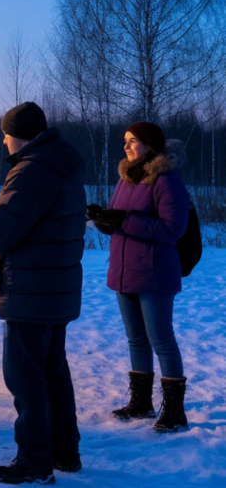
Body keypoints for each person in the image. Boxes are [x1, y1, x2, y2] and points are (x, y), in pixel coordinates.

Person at [0, 101, 85, 485]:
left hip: (30, 292)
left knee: (25, 378)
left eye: (6, 134)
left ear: (20, 136)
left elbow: (1, 232)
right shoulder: (61, 165)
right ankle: (64, 452)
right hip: (55, 291)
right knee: (52, 374)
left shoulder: (30, 172)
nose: (3, 141)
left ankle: (33, 461)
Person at [87, 122, 190, 433]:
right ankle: (141, 403)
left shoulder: (166, 179)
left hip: (154, 273)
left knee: (161, 339)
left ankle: (174, 411)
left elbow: (173, 228)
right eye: (125, 141)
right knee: (136, 340)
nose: (126, 146)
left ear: (150, 145)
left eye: (133, 141)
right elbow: (123, 221)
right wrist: (105, 221)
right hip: (124, 271)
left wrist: (126, 221)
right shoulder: (126, 178)